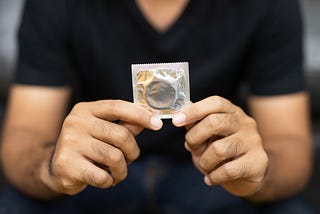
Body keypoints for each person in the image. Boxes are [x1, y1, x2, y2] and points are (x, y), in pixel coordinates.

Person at [0, 0, 315, 213]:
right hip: (94, 180)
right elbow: (24, 134)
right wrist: (54, 169)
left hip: (212, 181)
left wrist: (255, 174)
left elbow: (291, 145)